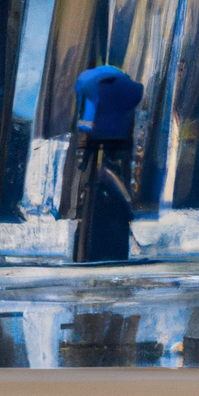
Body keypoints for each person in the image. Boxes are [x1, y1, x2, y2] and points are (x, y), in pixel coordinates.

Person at [72, 65, 144, 263]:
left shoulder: (89, 85)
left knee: (102, 177)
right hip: (115, 139)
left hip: (103, 139)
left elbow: (85, 120)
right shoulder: (119, 88)